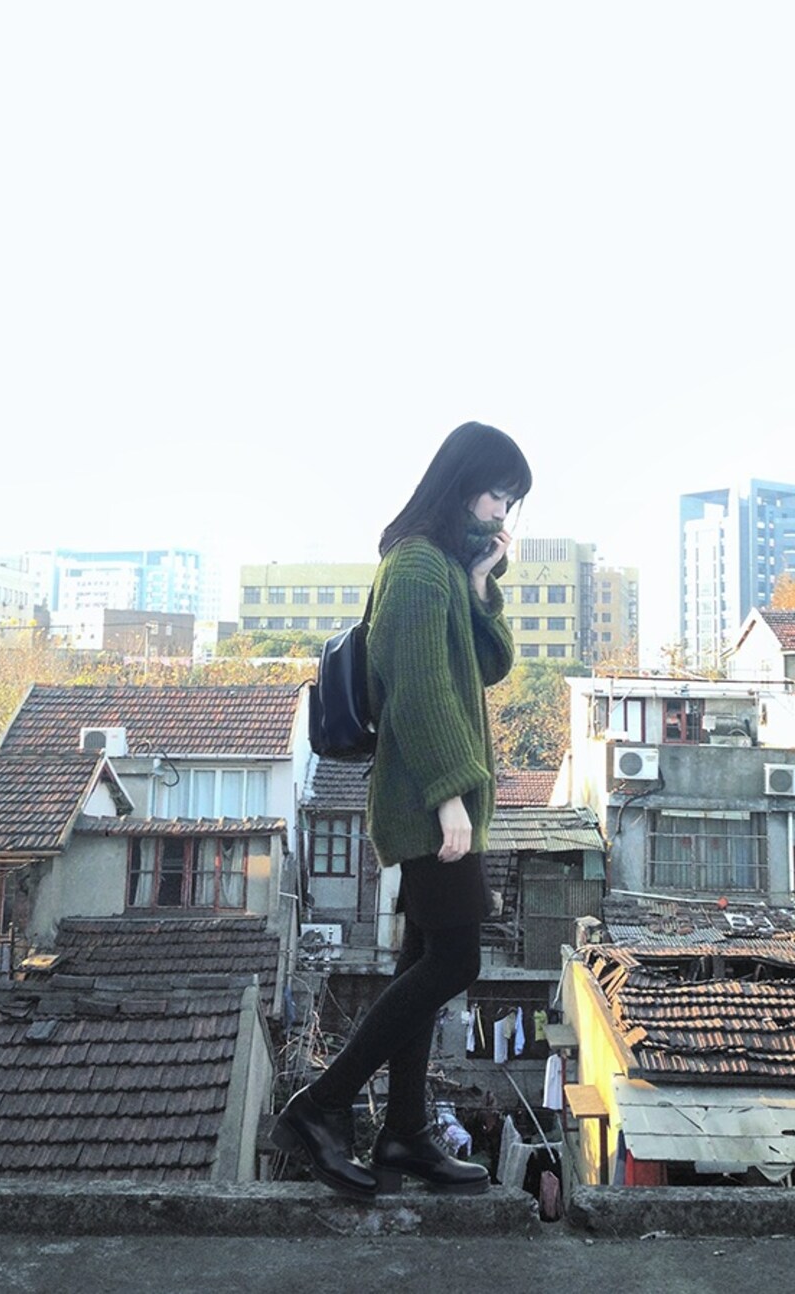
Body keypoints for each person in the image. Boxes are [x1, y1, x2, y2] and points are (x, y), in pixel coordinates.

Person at [271, 421, 532, 1199]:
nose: (502, 513)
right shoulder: (415, 566)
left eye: (512, 501)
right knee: (455, 961)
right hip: (425, 799)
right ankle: (320, 1106)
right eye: (496, 494)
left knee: (421, 959)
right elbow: (417, 696)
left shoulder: (445, 569)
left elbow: (488, 665)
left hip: (436, 797)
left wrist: (481, 581)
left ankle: (406, 1133)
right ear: (460, 484)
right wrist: (451, 797)